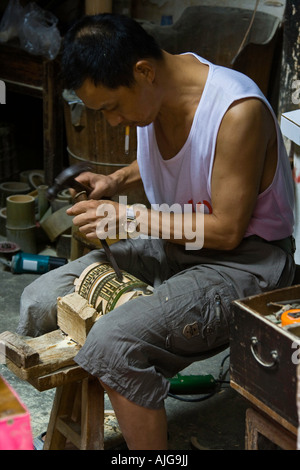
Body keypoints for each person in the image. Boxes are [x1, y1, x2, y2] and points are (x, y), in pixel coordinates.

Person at [17, 13, 295, 450]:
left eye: (110, 108)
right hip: (178, 245)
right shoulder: (155, 99)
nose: (112, 123)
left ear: (143, 72)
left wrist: (129, 217)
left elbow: (224, 231)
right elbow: (174, 164)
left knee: (115, 342)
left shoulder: (237, 112)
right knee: (39, 299)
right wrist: (118, 183)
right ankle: (116, 397)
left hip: (246, 263)